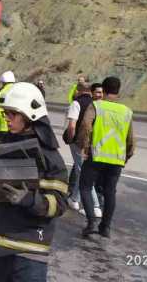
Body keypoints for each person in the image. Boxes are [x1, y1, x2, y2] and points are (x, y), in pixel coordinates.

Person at [0, 83, 68, 282]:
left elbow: (60, 203)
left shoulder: (49, 156)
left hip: (28, 253)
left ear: (29, 115)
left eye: (12, 114)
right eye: (5, 114)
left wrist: (30, 200)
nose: (6, 119)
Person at [76, 76, 135, 238]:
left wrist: (84, 146)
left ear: (104, 89)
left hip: (96, 156)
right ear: (118, 90)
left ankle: (91, 222)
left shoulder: (96, 106)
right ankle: (106, 227)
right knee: (110, 192)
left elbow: (86, 126)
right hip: (116, 159)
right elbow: (130, 139)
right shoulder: (127, 111)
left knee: (85, 187)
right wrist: (127, 156)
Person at [64, 82, 101, 217]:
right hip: (92, 142)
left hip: (79, 142)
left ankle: (95, 205)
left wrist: (70, 138)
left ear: (78, 91)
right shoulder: (96, 104)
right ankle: (74, 199)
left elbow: (72, 126)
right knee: (81, 170)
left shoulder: (76, 103)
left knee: (83, 172)